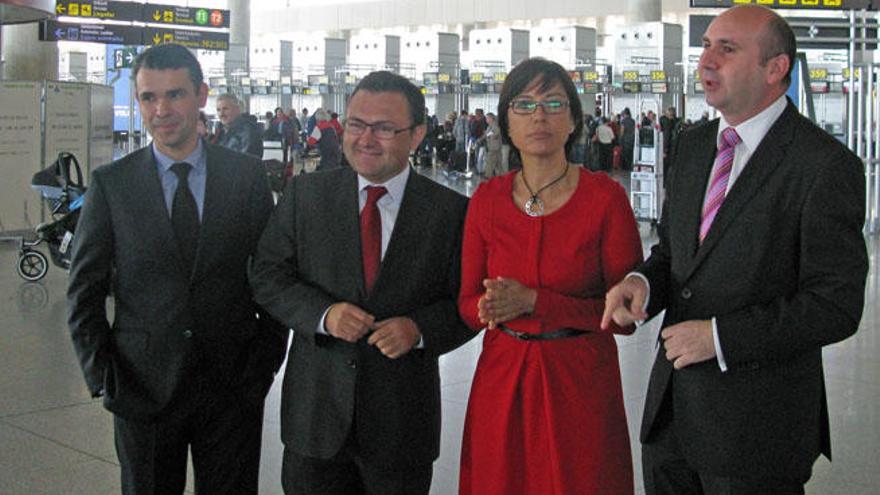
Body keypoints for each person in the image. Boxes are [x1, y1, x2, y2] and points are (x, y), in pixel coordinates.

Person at [602, 6, 868, 494]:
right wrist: (640, 284)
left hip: (757, 434)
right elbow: (675, 254)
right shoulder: (693, 146)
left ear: (775, 68)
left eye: (727, 49)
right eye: (705, 46)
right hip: (671, 421)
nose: (706, 61)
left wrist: (721, 338)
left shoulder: (823, 166)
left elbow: (835, 304)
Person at [67, 43, 288, 495]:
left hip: (231, 388)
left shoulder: (244, 177)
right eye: (149, 97)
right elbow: (84, 289)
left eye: (175, 95)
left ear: (201, 95)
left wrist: (262, 365)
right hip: (142, 388)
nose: (161, 109)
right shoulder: (112, 185)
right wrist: (102, 374)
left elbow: (272, 275)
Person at [249, 70, 473, 494]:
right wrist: (324, 315)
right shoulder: (306, 197)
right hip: (315, 421)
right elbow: (267, 274)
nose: (366, 138)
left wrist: (420, 330)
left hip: (401, 425)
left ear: (417, 134)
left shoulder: (450, 212)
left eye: (385, 128)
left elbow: (467, 302)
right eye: (356, 124)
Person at [458, 57, 643, 495]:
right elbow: (466, 304)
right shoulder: (486, 200)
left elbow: (626, 318)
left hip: (580, 383)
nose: (538, 115)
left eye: (553, 103)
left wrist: (535, 303)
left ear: (574, 119)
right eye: (523, 104)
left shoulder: (605, 199)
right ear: (505, 120)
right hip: (502, 381)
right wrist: (486, 307)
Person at [215, 93, 264, 158]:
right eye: (218, 110)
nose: (221, 114)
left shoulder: (249, 132)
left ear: (237, 109)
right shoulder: (221, 131)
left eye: (225, 109)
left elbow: (245, 161)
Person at [477, 112, 503, 177]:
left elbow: (496, 133)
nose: (486, 120)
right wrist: (480, 139)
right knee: (498, 163)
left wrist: (490, 136)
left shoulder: (494, 125)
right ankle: (500, 176)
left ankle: (487, 176)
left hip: (494, 147)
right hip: (494, 146)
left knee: (490, 161)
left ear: (491, 118)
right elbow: (486, 134)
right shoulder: (490, 126)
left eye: (487, 118)